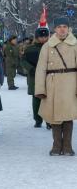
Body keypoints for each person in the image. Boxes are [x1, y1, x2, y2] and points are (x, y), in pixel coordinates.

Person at [35, 17, 77, 156]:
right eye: (59, 27)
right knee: (54, 116)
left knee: (68, 115)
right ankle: (56, 145)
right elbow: (40, 68)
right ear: (54, 29)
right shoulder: (47, 46)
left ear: (69, 28)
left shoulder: (75, 44)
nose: (62, 29)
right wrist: (40, 89)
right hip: (52, 84)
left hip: (70, 84)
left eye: (65, 26)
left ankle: (68, 146)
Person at [22, 27, 49, 128]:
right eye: (41, 37)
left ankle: (49, 121)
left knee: (48, 99)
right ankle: (38, 120)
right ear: (37, 37)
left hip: (48, 76)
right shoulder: (30, 49)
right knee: (36, 99)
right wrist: (31, 69)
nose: (43, 38)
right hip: (34, 77)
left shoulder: (51, 47)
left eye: (45, 36)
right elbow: (23, 61)